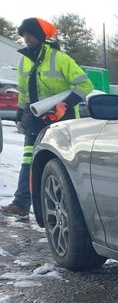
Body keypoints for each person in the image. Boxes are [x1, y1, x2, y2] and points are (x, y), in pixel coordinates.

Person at [1, 18, 94, 219]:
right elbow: (24, 91)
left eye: (30, 34)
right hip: (33, 118)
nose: (26, 38)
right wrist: (19, 113)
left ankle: (65, 209)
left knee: (60, 163)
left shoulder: (60, 59)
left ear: (41, 36)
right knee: (28, 160)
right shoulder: (24, 60)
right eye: (24, 34)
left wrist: (65, 104)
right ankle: (21, 204)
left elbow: (86, 85)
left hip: (61, 119)